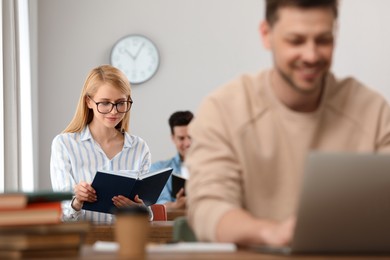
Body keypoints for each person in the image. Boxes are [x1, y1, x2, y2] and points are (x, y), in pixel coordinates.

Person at [186, 0, 390, 247]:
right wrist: (271, 233)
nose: (311, 55)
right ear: (266, 35)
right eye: (296, 41)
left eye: (323, 40)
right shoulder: (222, 109)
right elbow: (208, 208)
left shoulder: (374, 111)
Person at [50, 64, 153, 223]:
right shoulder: (64, 145)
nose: (114, 111)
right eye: (104, 103)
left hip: (127, 241)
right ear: (89, 102)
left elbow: (147, 216)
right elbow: (64, 216)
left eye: (120, 103)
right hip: (84, 242)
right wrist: (77, 201)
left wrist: (138, 210)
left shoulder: (139, 148)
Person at [150, 111, 194, 210]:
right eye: (181, 138)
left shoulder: (213, 167)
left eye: (190, 137)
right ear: (173, 138)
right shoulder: (159, 169)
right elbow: (159, 204)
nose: (187, 143)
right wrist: (176, 205)